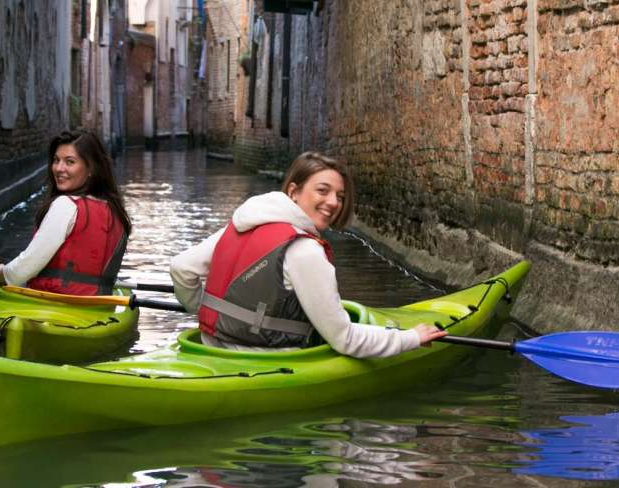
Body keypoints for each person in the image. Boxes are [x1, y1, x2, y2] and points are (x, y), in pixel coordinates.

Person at [170, 151, 446, 358]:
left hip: (211, 349)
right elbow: (344, 340)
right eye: (322, 191)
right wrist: (411, 338)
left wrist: (206, 314)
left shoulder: (241, 224)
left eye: (339, 195)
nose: (333, 203)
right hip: (263, 360)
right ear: (294, 191)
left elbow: (182, 268)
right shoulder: (304, 250)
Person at [0, 130, 132, 296]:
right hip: (99, 307)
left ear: (91, 168)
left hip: (55, 303)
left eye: (69, 162)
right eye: (56, 160)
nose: (59, 168)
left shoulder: (65, 205)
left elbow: (25, 267)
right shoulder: (116, 210)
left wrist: (0, 273)